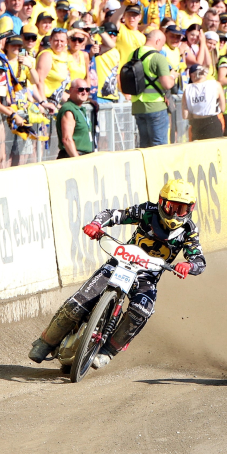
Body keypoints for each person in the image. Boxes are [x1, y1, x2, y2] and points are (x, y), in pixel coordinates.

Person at [28, 179, 206, 370]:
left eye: (182, 209)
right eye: (172, 207)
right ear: (162, 203)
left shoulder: (189, 231)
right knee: (78, 302)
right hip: (120, 263)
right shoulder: (147, 211)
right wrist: (96, 224)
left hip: (147, 277)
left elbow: (199, 260)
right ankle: (45, 343)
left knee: (142, 310)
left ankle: (108, 351)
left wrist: (188, 266)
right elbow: (114, 214)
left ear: (191, 209)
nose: (176, 214)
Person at [131, 30, 176, 147]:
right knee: (159, 145)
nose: (161, 48)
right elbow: (166, 84)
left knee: (144, 144)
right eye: (162, 45)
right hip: (155, 106)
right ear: (158, 41)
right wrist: (172, 76)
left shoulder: (133, 54)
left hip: (138, 106)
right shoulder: (157, 57)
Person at [183, 64, 225, 139]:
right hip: (212, 122)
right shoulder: (216, 85)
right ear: (205, 74)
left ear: (192, 76)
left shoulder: (187, 89)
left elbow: (185, 115)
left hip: (196, 124)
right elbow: (223, 108)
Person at [56, 78, 93, 159]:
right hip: (72, 157)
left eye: (87, 90)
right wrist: (77, 160)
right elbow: (67, 139)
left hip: (83, 156)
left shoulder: (79, 109)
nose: (84, 92)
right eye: (80, 89)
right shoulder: (69, 110)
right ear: (70, 90)